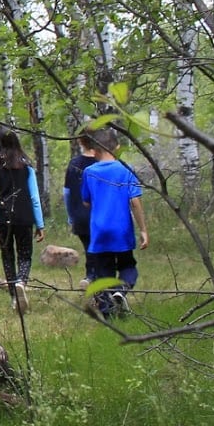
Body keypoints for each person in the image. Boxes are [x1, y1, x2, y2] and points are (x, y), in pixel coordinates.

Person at [80, 128, 149, 318]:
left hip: (99, 231)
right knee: (128, 266)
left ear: (93, 149)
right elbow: (135, 202)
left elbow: (86, 201)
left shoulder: (89, 172)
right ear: (117, 147)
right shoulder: (125, 169)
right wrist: (143, 229)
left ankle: (108, 314)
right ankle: (121, 290)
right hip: (122, 230)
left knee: (103, 273)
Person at [0, 127, 46, 314]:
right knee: (25, 254)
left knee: (7, 257)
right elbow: (35, 198)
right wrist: (40, 224)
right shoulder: (26, 167)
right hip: (24, 216)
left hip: (1, 217)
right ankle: (21, 281)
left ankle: (14, 298)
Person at [62, 131, 100, 287]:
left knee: (90, 248)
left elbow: (67, 194)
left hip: (81, 217)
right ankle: (95, 279)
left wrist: (71, 216)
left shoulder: (74, 164)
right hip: (102, 216)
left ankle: (90, 276)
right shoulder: (104, 163)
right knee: (103, 252)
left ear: (79, 141)